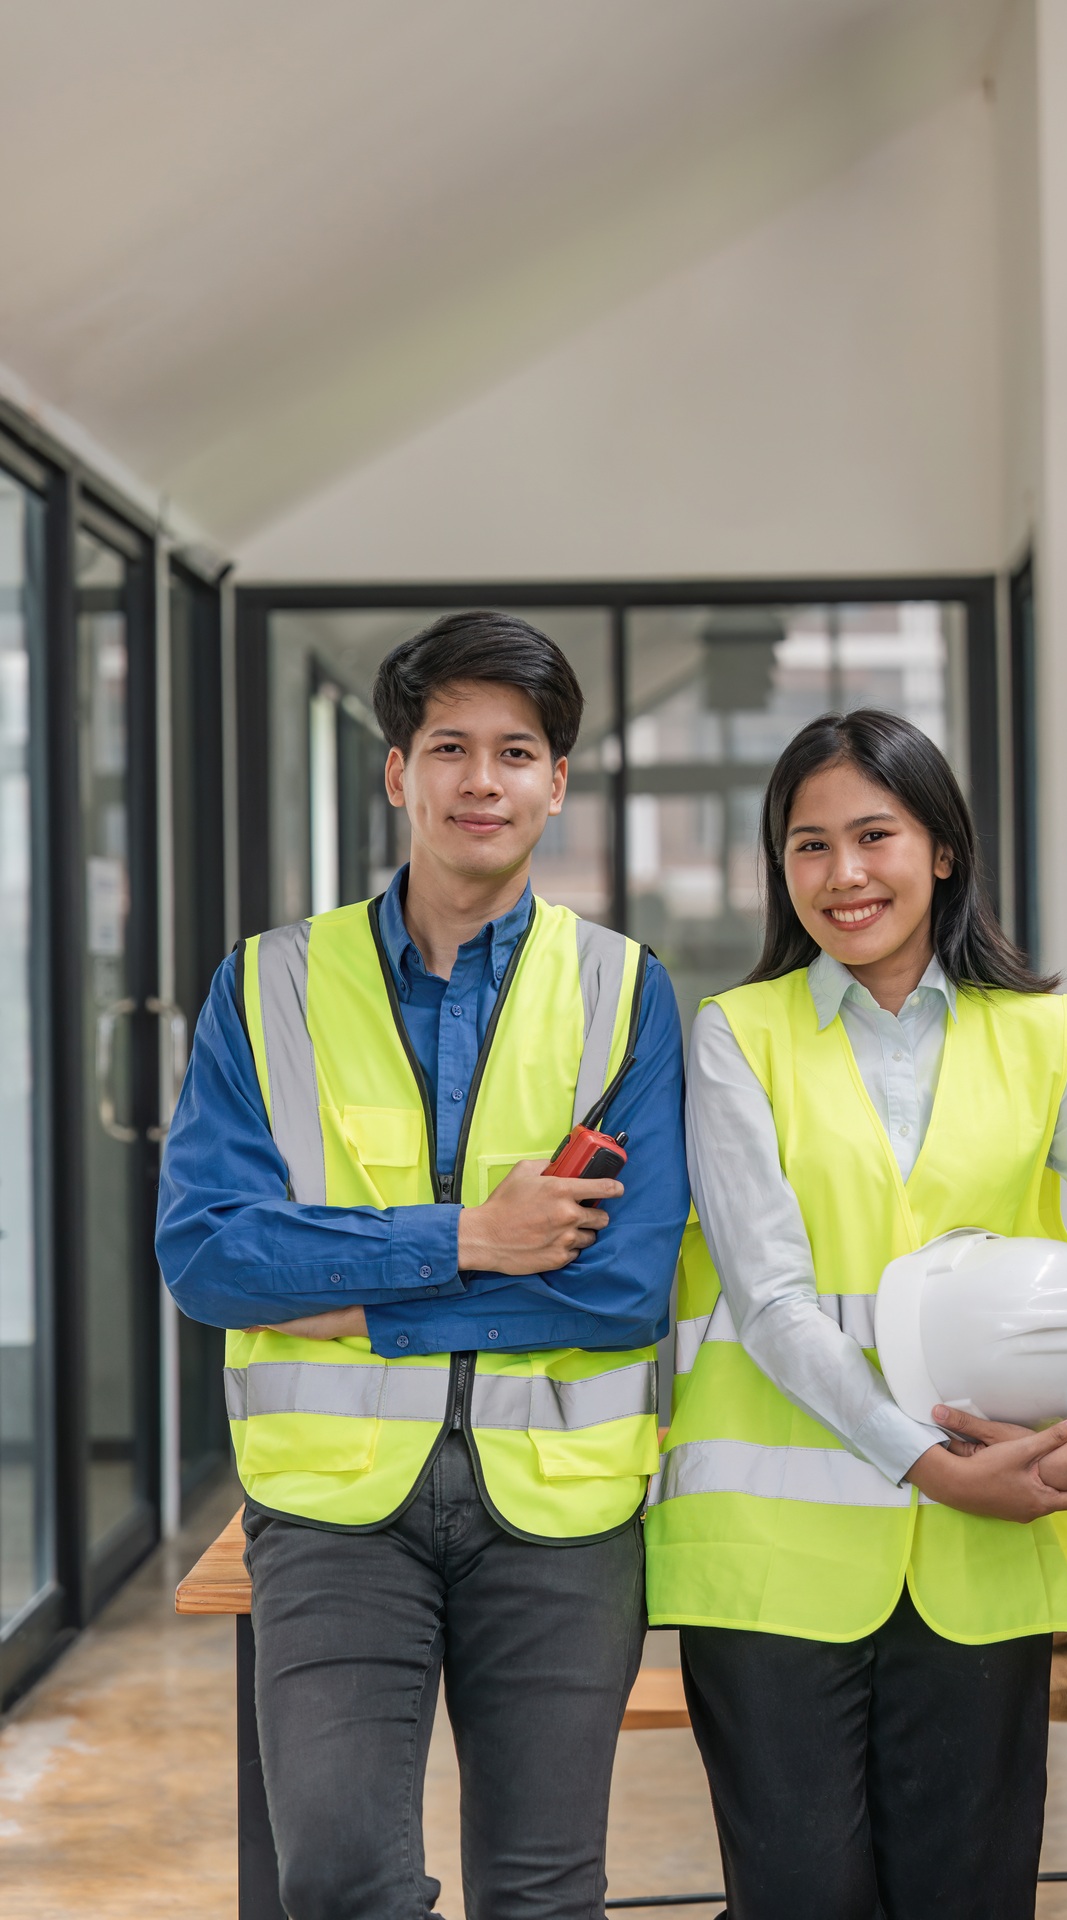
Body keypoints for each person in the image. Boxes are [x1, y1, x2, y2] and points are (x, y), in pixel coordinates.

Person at [645, 708, 1067, 1920]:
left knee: (969, 1896)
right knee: (799, 1897)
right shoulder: (736, 1037)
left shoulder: (1042, 1038)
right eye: (808, 844)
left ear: (942, 849)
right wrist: (929, 1462)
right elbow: (771, 1301)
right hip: (773, 1560)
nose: (842, 873)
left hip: (982, 1554)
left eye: (875, 835)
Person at [157, 611, 689, 1920]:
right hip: (333, 1511)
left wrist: (357, 1307)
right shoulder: (267, 984)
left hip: (560, 1511)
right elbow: (211, 1255)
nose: (480, 780)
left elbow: (620, 1287)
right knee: (338, 1875)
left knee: (542, 1892)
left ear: (556, 782)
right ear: (397, 771)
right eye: (449, 746)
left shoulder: (623, 991)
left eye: (515, 751)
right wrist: (469, 1239)